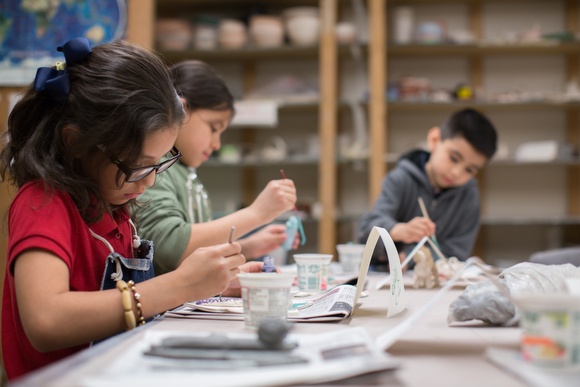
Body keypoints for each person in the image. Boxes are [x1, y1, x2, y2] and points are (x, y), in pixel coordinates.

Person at [0, 38, 262, 381]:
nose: (150, 181)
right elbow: (47, 320)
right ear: (75, 142)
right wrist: (180, 286)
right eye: (139, 166)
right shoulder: (45, 204)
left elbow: (125, 301)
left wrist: (208, 285)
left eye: (160, 163)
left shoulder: (113, 207)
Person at [137, 60, 297, 275]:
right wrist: (256, 214)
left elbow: (198, 252)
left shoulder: (185, 172)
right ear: (180, 111)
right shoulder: (155, 166)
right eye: (214, 128)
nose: (217, 144)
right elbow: (169, 247)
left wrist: (248, 246)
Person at [358, 108, 497, 266]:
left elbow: (457, 252)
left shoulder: (469, 194)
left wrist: (409, 258)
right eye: (453, 158)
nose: (456, 172)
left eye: (469, 170)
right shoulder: (400, 179)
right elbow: (366, 230)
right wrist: (399, 230)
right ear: (434, 139)